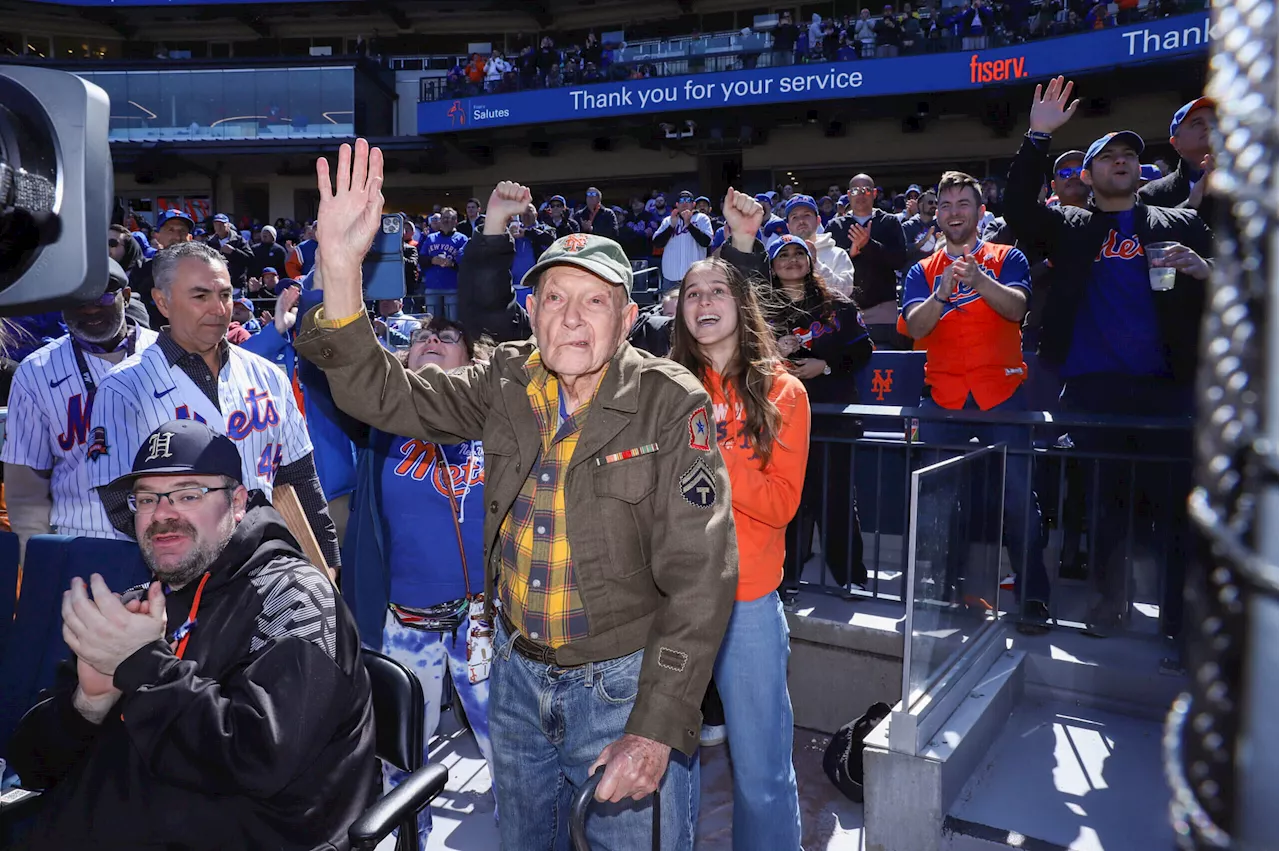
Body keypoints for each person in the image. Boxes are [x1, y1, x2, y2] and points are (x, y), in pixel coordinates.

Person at [294, 149, 737, 850]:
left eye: (595, 300)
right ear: (530, 312)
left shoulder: (668, 401)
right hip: (516, 679)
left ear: (626, 320)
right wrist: (342, 271)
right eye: (555, 298)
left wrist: (656, 725)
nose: (571, 318)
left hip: (621, 687)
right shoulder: (505, 379)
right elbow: (383, 394)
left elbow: (701, 578)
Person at [7, 419, 376, 850]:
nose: (163, 514)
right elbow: (31, 766)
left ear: (237, 502)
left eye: (188, 494)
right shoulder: (139, 603)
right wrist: (89, 700)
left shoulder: (294, 598)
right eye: (147, 498)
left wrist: (144, 664)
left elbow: (260, 762)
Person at [1007, 77, 1214, 641]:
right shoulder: (1073, 226)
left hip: (1167, 387)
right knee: (1104, 507)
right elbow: (1020, 210)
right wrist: (1037, 136)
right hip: (1094, 388)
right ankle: (1107, 606)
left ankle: (1175, 619)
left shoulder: (1181, 222)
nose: (1122, 161)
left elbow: (1242, 286)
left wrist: (1206, 271)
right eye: (1109, 156)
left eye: (1130, 156)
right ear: (1088, 175)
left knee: (1175, 511)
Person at [86, 241, 341, 575]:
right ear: (163, 302)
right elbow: (120, 503)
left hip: (267, 565)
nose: (219, 309)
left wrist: (326, 560)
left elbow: (300, 477)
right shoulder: (123, 387)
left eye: (225, 295)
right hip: (181, 575)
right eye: (200, 296)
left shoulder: (266, 374)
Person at [670, 244, 809, 851]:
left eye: (717, 291)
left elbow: (780, 503)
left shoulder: (782, 393)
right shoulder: (664, 387)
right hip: (670, 603)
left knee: (762, 777)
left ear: (741, 303)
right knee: (667, 770)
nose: (704, 302)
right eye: (692, 293)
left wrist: (712, 450)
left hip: (748, 604)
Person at [343, 316, 496, 848]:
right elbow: (337, 364)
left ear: (474, 360)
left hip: (487, 620)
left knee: (504, 735)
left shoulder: (498, 418)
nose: (431, 341)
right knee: (404, 743)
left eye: (447, 336)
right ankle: (413, 835)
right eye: (420, 338)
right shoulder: (378, 424)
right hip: (406, 622)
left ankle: (522, 826)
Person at [901, 170, 1050, 632]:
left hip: (1003, 396)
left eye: (963, 203)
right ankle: (935, 596)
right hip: (944, 399)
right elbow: (917, 326)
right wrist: (943, 292)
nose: (953, 213)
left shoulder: (1008, 257)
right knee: (936, 503)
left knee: (1018, 504)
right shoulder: (920, 270)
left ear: (980, 212)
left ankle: (1033, 599)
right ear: (936, 215)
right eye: (945, 206)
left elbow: (1017, 309)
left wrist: (980, 280)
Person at [721, 192, 873, 602]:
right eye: (782, 256)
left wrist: (822, 366)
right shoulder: (756, 309)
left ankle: (850, 576)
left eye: (798, 255)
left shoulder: (836, 306)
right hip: (776, 422)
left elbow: (862, 351)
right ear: (771, 265)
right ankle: (783, 581)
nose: (791, 261)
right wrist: (775, 358)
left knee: (837, 498)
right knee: (787, 502)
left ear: (811, 261)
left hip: (831, 417)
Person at [2, 258, 160, 554]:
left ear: (126, 297)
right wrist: (34, 555)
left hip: (170, 539)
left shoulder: (168, 355)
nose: (89, 308)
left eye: (102, 295)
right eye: (76, 298)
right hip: (83, 539)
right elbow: (26, 486)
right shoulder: (36, 371)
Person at [828, 173, 909, 349]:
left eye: (865, 190)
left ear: (874, 194)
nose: (861, 195)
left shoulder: (889, 222)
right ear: (849, 195)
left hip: (882, 309)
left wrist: (869, 245)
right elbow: (827, 266)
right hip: (844, 310)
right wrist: (851, 253)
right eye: (856, 190)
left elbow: (900, 260)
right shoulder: (836, 226)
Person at [1139, 97, 1216, 211]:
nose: (1209, 126)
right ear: (1176, 143)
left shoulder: (1247, 179)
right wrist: (1190, 205)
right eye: (1197, 123)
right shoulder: (1152, 195)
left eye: (1214, 121)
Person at [130, 208, 194, 331]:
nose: (177, 236)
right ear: (157, 236)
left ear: (190, 238)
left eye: (182, 231)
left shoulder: (202, 269)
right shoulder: (142, 268)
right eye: (170, 230)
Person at [783, 193, 855, 296]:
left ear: (818, 221)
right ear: (788, 226)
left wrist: (816, 264)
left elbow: (846, 291)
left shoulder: (838, 254)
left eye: (807, 215)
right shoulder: (781, 257)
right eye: (795, 217)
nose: (801, 221)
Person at [652, 190, 714, 289]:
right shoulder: (668, 220)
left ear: (693, 204)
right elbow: (657, 243)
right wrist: (671, 226)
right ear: (677, 204)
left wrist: (688, 224)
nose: (684, 203)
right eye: (681, 200)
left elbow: (706, 242)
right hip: (671, 277)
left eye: (688, 200)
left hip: (695, 276)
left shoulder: (702, 218)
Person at [419, 206, 469, 319]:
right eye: (445, 218)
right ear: (440, 220)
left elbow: (467, 263)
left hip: (453, 286)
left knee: (452, 320)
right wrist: (432, 260)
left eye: (451, 218)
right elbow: (421, 259)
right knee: (431, 321)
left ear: (456, 221)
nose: (447, 221)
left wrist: (451, 264)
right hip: (432, 285)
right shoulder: (430, 238)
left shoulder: (462, 239)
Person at [207, 213, 254, 290]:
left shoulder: (239, 240)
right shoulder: (210, 242)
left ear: (228, 225)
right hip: (217, 284)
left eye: (222, 224)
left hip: (236, 284)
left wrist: (233, 252)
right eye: (216, 224)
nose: (219, 227)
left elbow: (250, 259)